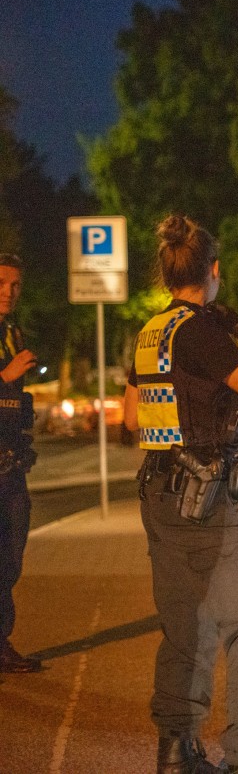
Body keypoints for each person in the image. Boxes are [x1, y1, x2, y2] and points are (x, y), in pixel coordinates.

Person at [122, 217, 238, 774]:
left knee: (185, 622)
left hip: (159, 495)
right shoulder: (203, 332)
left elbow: (129, 416)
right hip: (205, 500)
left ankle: (176, 748)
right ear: (212, 271)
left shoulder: (148, 332)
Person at [0, 253, 42, 674]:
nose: (9, 292)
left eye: (15, 285)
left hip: (10, 461)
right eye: (1, 283)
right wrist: (5, 376)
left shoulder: (12, 330)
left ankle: (2, 641)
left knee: (11, 556)